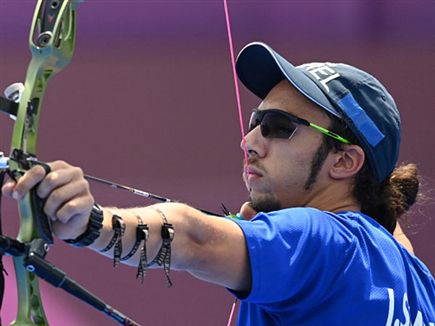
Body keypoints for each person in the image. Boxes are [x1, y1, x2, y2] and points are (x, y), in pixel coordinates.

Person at [3, 42, 434, 325]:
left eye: (278, 127)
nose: (249, 142)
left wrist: (90, 224)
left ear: (344, 161)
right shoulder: (416, 282)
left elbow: (195, 238)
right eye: (254, 122)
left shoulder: (321, 241)